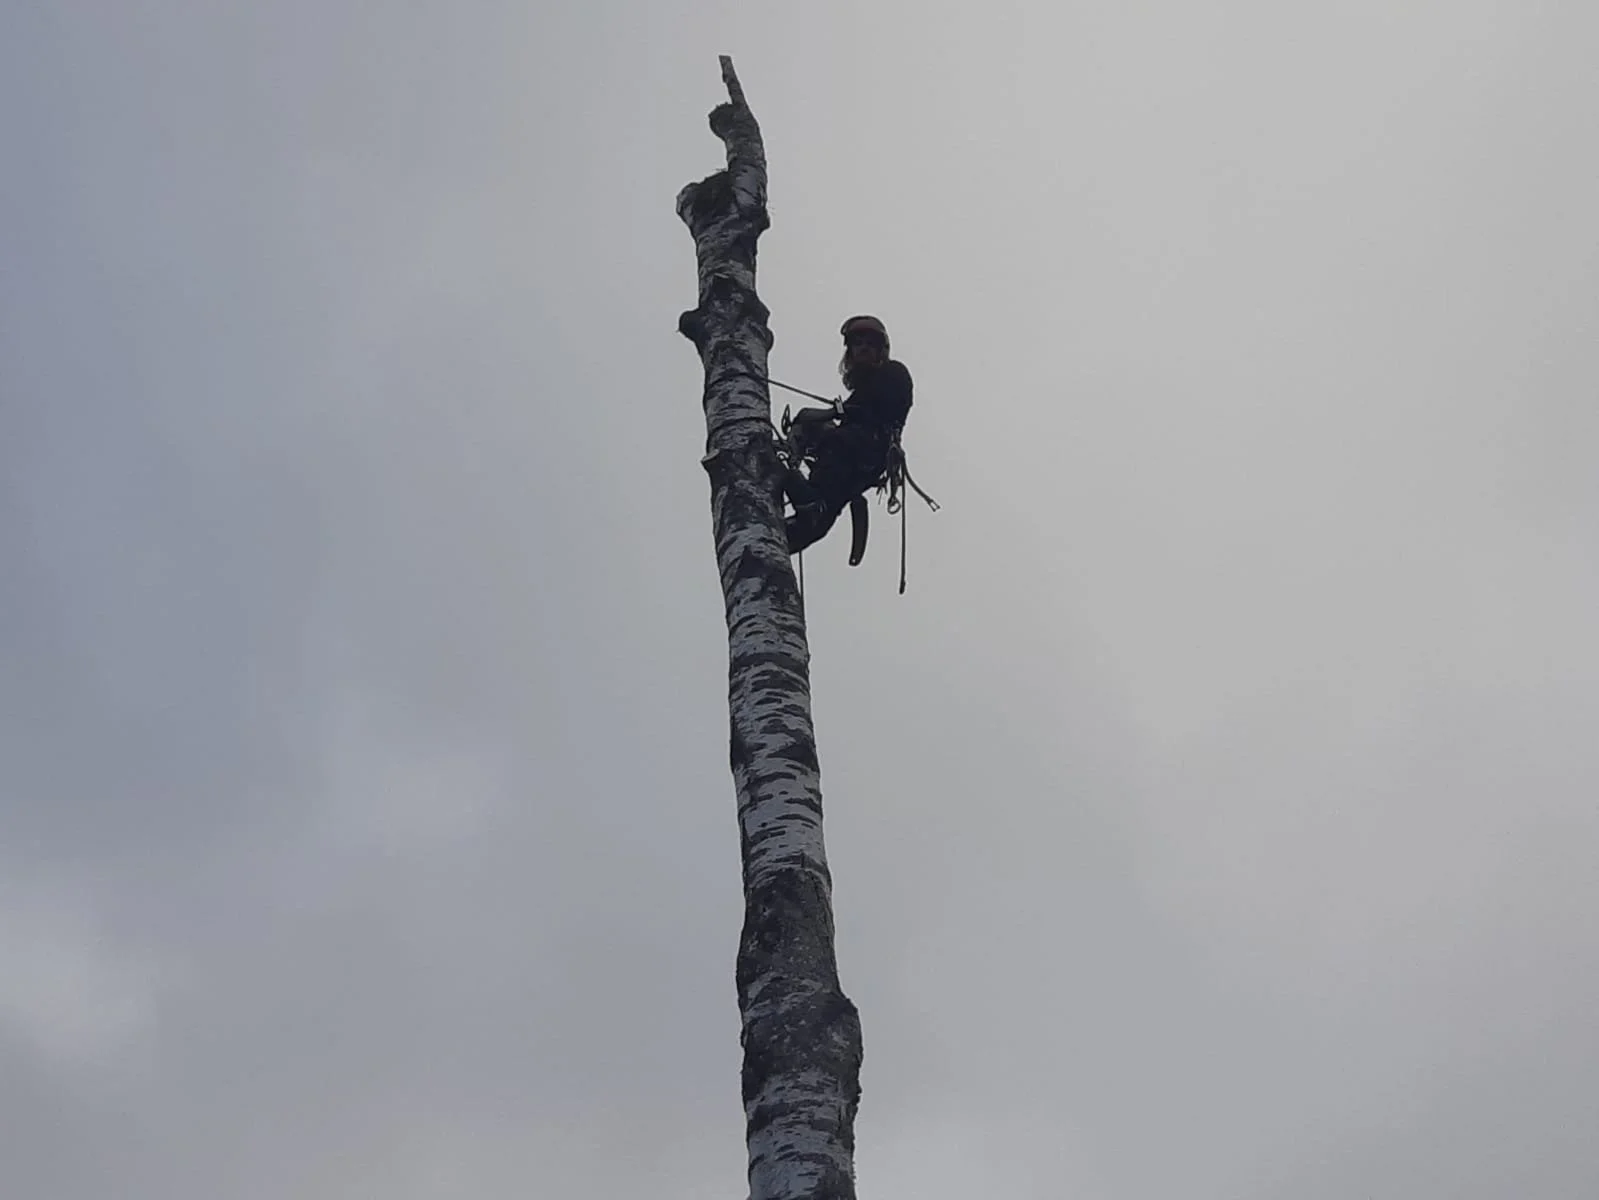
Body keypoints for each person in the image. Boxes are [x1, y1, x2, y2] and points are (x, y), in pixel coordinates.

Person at [783, 315, 913, 555]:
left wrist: (831, 413)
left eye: (870, 344)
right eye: (858, 343)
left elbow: (881, 408)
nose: (863, 348)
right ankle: (805, 504)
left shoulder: (894, 373)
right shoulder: (863, 391)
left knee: (830, 439)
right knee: (813, 526)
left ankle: (801, 486)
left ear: (881, 350)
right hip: (854, 457)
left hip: (865, 450)